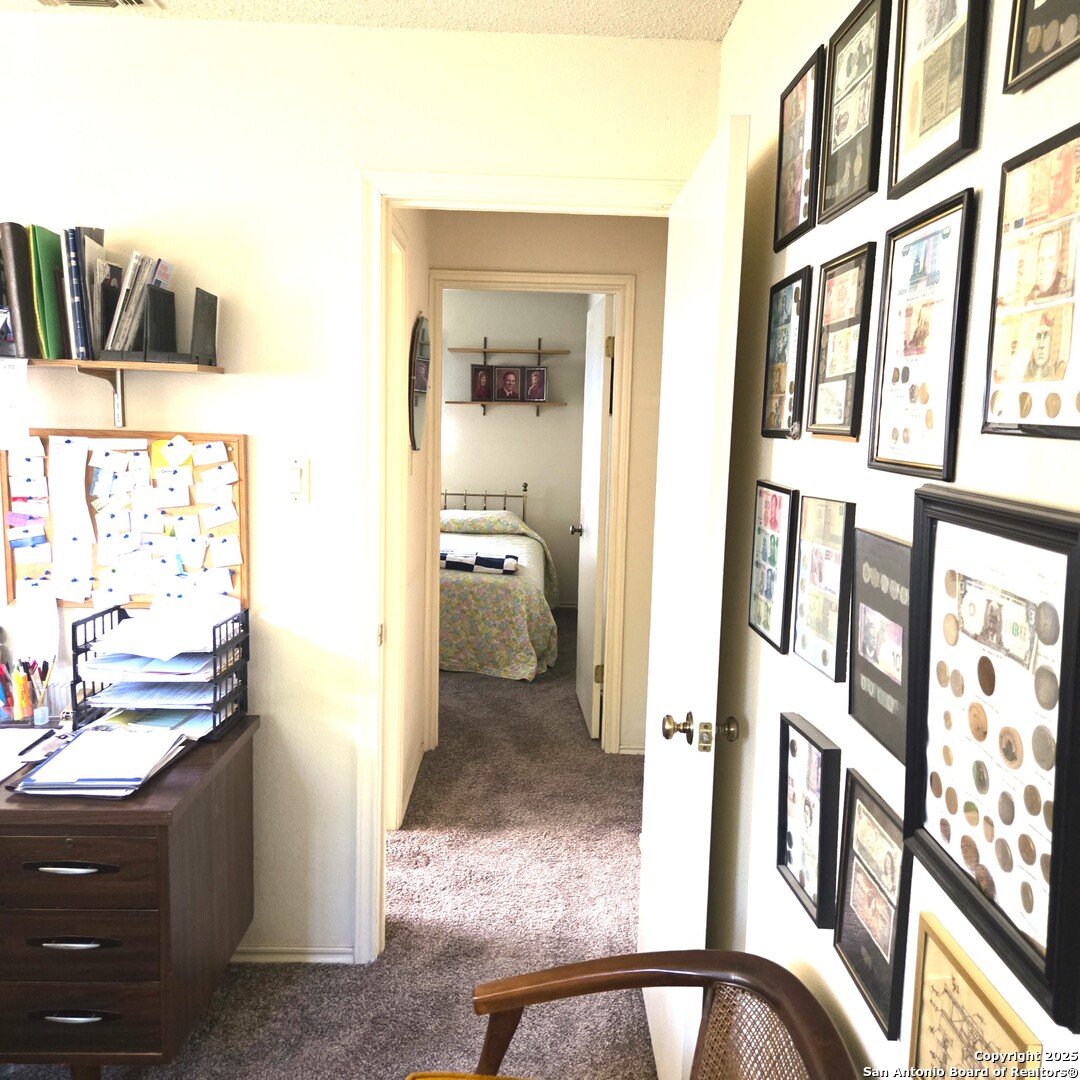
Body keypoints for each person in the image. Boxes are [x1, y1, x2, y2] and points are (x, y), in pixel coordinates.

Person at [1027, 227, 1068, 302]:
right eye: (1041, 260)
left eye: (1050, 259)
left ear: (1059, 261)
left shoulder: (1066, 288)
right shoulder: (1033, 294)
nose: (1043, 268)